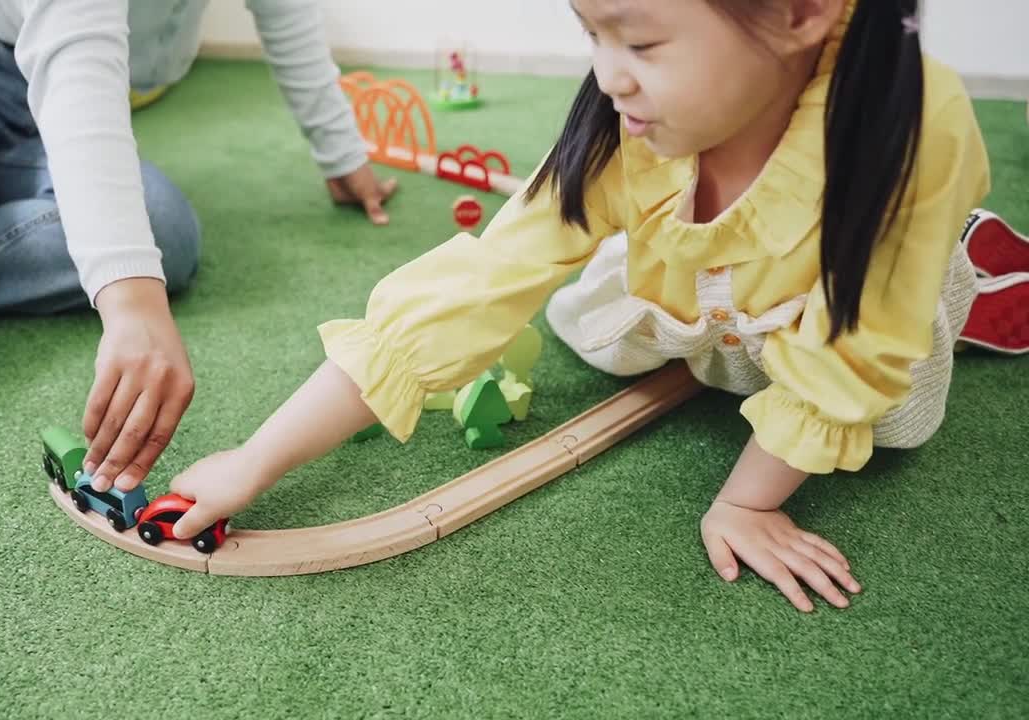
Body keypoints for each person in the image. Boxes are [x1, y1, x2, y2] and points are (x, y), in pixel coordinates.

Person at [159, 0, 992, 612]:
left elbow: (856, 351)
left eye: (640, 42)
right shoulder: (626, 128)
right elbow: (476, 288)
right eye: (591, 34)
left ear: (800, 12)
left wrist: (747, 501)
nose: (606, 75)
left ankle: (964, 268)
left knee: (892, 416)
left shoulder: (916, 121)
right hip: (707, 296)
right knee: (588, 330)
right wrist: (256, 459)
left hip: (837, 298)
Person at [0, 0, 396, 493]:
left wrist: (341, 155)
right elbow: (77, 60)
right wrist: (132, 307)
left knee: (164, 231)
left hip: (33, 113)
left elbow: (287, 14)